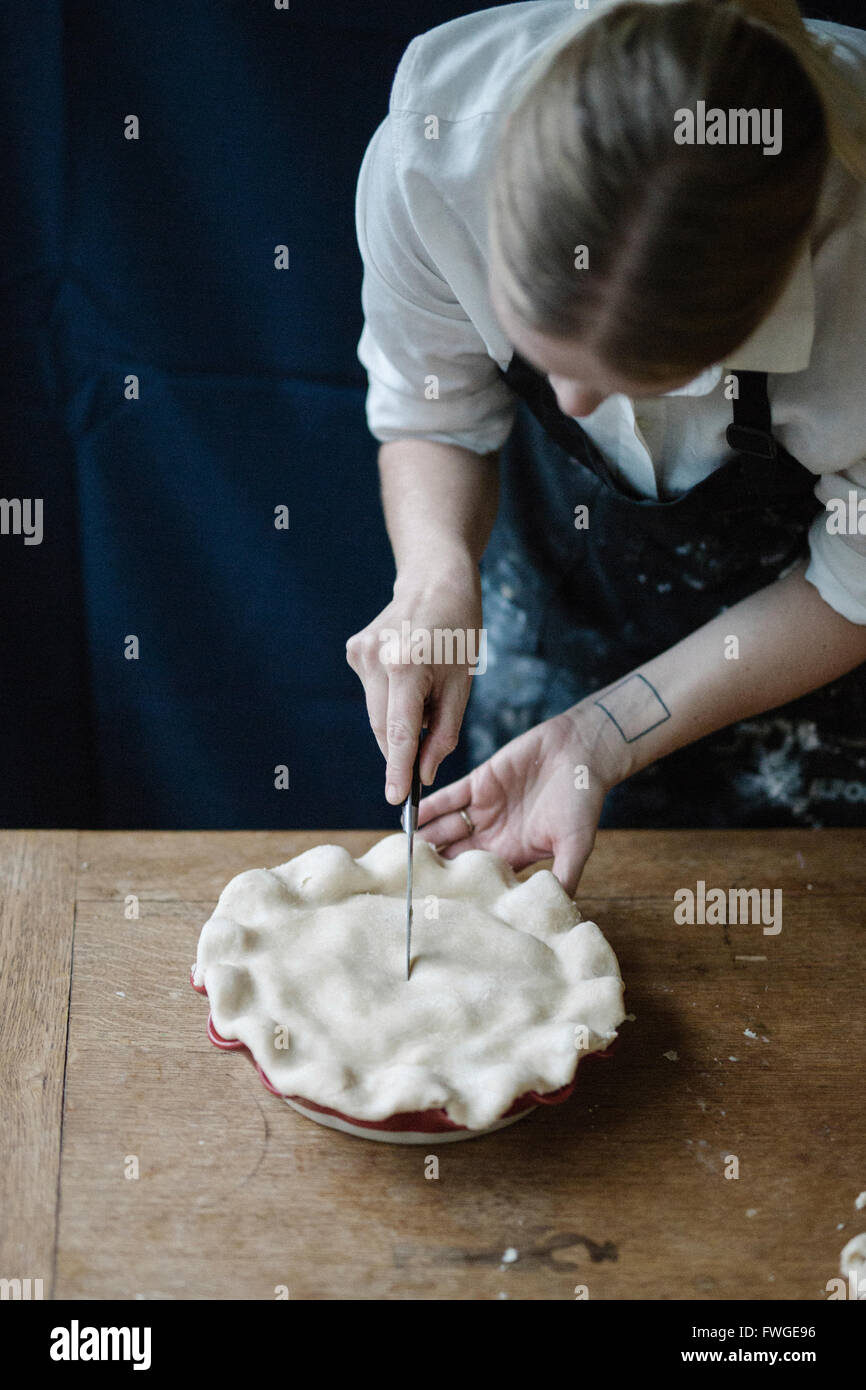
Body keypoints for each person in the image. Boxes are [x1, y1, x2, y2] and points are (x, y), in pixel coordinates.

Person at [347, 0, 866, 894]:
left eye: (649, 373)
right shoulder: (433, 155)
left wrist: (607, 732)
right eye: (541, 354)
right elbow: (435, 413)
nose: (574, 404)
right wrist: (435, 575)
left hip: (815, 688)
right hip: (557, 608)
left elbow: (856, 575)